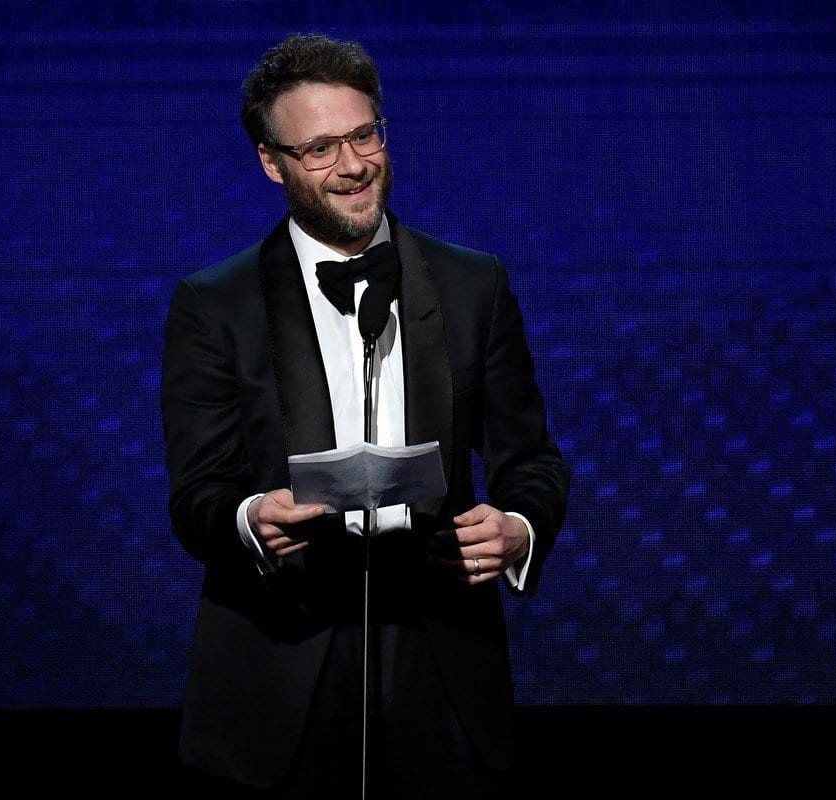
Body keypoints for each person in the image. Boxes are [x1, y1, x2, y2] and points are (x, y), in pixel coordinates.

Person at [160, 32, 570, 799]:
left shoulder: (472, 284)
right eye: (318, 149)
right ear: (270, 162)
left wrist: (518, 527)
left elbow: (533, 462)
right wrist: (252, 518)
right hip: (282, 660)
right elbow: (196, 495)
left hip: (440, 660)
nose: (352, 166)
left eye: (363, 134)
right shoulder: (215, 304)